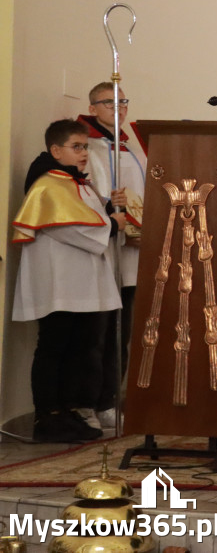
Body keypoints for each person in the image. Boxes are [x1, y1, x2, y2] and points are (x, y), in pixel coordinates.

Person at [11, 119, 126, 442]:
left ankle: (69, 410)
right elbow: (71, 228)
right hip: (58, 284)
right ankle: (47, 416)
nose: (84, 153)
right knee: (54, 348)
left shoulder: (75, 183)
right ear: (55, 150)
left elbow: (87, 219)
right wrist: (113, 225)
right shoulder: (49, 184)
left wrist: (107, 208)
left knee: (78, 349)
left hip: (80, 283)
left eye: (86, 147)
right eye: (77, 147)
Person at [78, 82, 147, 429]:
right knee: (98, 330)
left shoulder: (130, 147)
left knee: (123, 329)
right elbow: (86, 191)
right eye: (109, 103)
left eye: (123, 101)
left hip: (131, 249)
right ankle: (90, 402)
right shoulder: (86, 145)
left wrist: (140, 228)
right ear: (93, 108)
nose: (118, 108)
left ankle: (111, 398)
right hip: (103, 247)